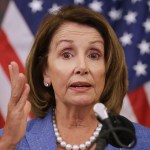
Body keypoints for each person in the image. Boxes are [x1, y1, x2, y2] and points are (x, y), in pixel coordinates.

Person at [0, 5, 150, 150]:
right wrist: (8, 144)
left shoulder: (143, 142)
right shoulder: (10, 140)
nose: (82, 67)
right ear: (45, 71)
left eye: (94, 55)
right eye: (66, 54)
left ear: (107, 70)